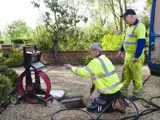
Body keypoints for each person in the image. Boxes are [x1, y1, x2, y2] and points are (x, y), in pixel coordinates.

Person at [65, 42, 126, 113]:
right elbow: (98, 78)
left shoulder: (96, 62)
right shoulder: (105, 59)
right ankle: (113, 102)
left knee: (90, 108)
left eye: (91, 51)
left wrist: (71, 67)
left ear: (96, 51)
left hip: (109, 93)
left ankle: (110, 106)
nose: (90, 53)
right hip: (116, 91)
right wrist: (92, 90)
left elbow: (83, 72)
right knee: (97, 102)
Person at [117, 9, 146, 101]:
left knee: (136, 76)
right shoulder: (129, 27)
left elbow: (141, 42)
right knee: (125, 75)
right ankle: (123, 93)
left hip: (135, 56)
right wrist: (121, 50)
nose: (124, 19)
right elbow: (125, 40)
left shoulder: (140, 26)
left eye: (125, 17)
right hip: (128, 55)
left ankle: (137, 95)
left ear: (132, 16)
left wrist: (136, 56)